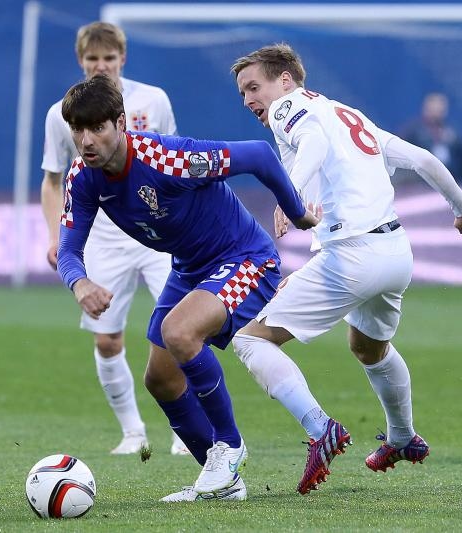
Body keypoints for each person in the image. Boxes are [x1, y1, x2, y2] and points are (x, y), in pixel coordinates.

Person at [231, 43, 462, 494]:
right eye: (242, 92)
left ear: (287, 80)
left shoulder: (287, 108)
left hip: (352, 255)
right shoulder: (348, 115)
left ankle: (320, 429)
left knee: (249, 337)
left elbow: (310, 145)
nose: (250, 99)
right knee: (369, 348)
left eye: (255, 86)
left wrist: (290, 197)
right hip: (394, 253)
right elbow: (424, 160)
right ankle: (402, 437)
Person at [55, 74, 318, 501]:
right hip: (191, 269)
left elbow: (260, 155)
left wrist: (298, 214)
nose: (86, 140)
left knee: (179, 332)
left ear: (120, 123)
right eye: (78, 130)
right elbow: (68, 250)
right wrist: (79, 282)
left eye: (97, 128)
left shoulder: (166, 158)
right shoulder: (83, 178)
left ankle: (229, 447)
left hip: (244, 258)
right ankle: (222, 483)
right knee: (159, 379)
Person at [40, 22, 184, 456]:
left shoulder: (152, 100)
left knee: (180, 330)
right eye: (92, 59)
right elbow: (52, 181)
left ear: (122, 59)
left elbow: (174, 159)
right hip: (102, 237)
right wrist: (54, 235)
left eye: (108, 58)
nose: (100, 66)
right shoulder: (59, 114)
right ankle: (133, 432)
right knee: (107, 339)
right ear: (81, 62)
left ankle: (183, 428)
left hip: (158, 231)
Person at [400, 92, 458, 172]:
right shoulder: (412, 131)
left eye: (440, 109)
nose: (437, 112)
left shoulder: (451, 133)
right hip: (418, 177)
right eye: (434, 108)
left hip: (447, 175)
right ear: (425, 109)